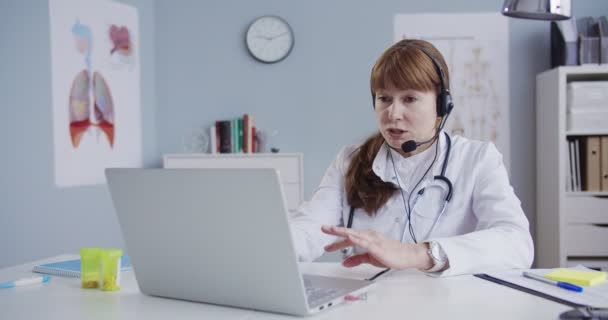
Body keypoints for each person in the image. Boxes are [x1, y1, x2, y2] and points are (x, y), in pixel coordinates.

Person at [289, 39, 533, 277]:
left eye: (409, 99)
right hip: (368, 306)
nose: (393, 113)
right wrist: (273, 247)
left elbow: (517, 243)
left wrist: (418, 254)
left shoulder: (477, 159)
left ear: (441, 105)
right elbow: (312, 228)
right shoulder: (350, 160)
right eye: (384, 98)